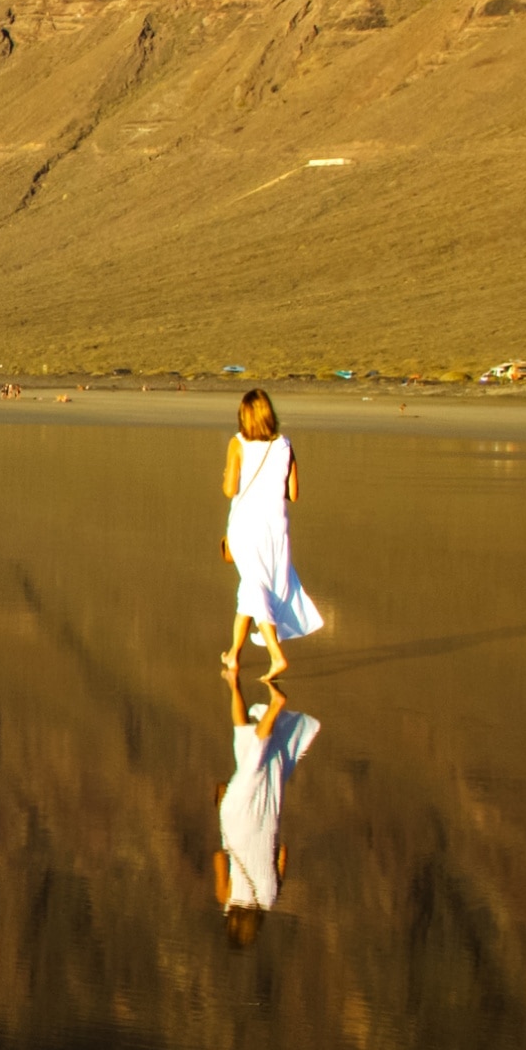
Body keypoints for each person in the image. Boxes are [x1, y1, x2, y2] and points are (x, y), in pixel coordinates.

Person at [219, 387, 324, 677]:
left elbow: (230, 490)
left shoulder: (237, 443)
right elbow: (293, 493)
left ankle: (276, 656)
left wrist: (228, 476)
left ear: (244, 416)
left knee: (255, 586)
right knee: (252, 588)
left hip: (245, 526)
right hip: (276, 528)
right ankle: (233, 656)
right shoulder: (285, 445)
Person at [213, 687, 319, 947]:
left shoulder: (270, 900)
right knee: (251, 762)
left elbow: (282, 853)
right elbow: (219, 857)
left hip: (267, 820)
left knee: (248, 755)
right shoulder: (226, 898)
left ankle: (232, 680)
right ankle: (274, 706)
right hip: (236, 823)